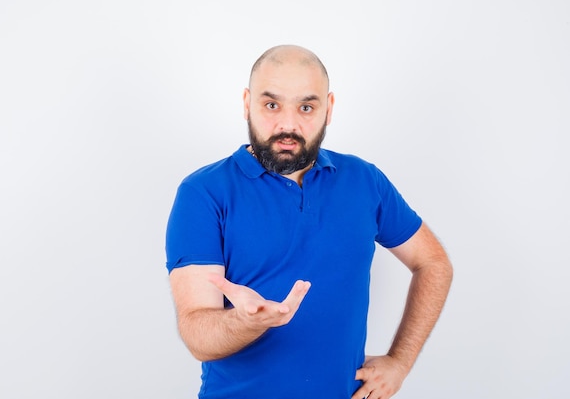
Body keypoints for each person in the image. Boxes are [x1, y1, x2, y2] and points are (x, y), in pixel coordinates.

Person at [165, 44, 453, 399]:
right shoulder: (204, 192)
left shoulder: (364, 181)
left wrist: (400, 362)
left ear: (328, 109)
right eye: (272, 105)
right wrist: (245, 322)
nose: (288, 124)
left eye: (306, 107)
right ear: (246, 103)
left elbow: (433, 263)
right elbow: (197, 334)